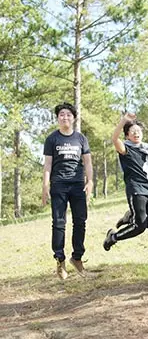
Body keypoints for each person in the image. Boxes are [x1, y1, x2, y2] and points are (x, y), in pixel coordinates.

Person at [42, 102, 93, 279]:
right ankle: (60, 260)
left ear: (73, 118)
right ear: (58, 118)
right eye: (61, 114)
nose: (65, 117)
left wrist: (90, 181)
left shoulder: (81, 139)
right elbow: (48, 164)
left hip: (78, 184)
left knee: (80, 222)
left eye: (68, 114)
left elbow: (87, 162)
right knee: (58, 223)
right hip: (59, 185)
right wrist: (45, 186)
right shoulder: (52, 139)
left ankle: (77, 258)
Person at [103, 113, 148, 251]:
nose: (136, 134)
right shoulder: (125, 149)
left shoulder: (147, 149)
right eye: (133, 132)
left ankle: (129, 217)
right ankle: (113, 237)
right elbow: (114, 138)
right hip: (136, 189)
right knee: (139, 226)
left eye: (139, 131)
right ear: (127, 135)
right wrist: (124, 120)